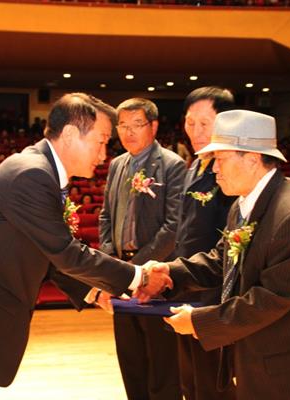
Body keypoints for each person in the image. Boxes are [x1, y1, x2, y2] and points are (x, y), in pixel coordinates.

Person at [0, 93, 172, 400]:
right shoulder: (32, 175)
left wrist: (95, 290)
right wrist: (139, 278)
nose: (104, 154)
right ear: (69, 134)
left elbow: (48, 253)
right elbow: (65, 253)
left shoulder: (38, 170)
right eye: (101, 141)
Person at [152, 110, 290, 399]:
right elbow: (222, 260)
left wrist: (201, 322)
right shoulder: (244, 203)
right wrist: (170, 272)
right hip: (265, 356)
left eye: (221, 159)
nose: (214, 169)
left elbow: (271, 298)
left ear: (252, 159)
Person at [97, 98, 186, 400]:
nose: (129, 132)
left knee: (162, 361)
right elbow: (106, 216)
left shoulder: (172, 165)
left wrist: (139, 268)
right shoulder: (117, 165)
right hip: (122, 273)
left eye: (137, 124)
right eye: (123, 125)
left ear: (154, 126)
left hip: (156, 274)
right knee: (130, 357)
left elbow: (173, 226)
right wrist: (111, 262)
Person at [171, 87, 237, 400]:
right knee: (189, 380)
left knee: (213, 384)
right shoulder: (194, 166)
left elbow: (230, 243)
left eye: (204, 123)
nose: (195, 131)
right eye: (190, 122)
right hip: (187, 287)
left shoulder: (230, 173)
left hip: (212, 294)